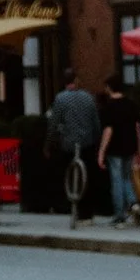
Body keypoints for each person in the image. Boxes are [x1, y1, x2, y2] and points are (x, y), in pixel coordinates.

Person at [47, 71, 100, 218]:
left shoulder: (60, 99)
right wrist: (97, 141)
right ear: (76, 80)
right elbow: (95, 123)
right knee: (87, 177)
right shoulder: (88, 97)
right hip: (87, 143)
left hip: (68, 143)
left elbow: (53, 123)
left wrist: (49, 144)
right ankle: (87, 211)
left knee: (69, 175)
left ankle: (70, 205)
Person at [96, 79, 140, 227]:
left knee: (117, 180)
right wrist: (139, 149)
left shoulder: (108, 107)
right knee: (127, 178)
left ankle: (119, 215)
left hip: (114, 148)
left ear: (109, 88)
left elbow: (108, 130)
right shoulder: (131, 104)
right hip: (130, 146)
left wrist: (101, 152)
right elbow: (137, 128)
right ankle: (133, 203)